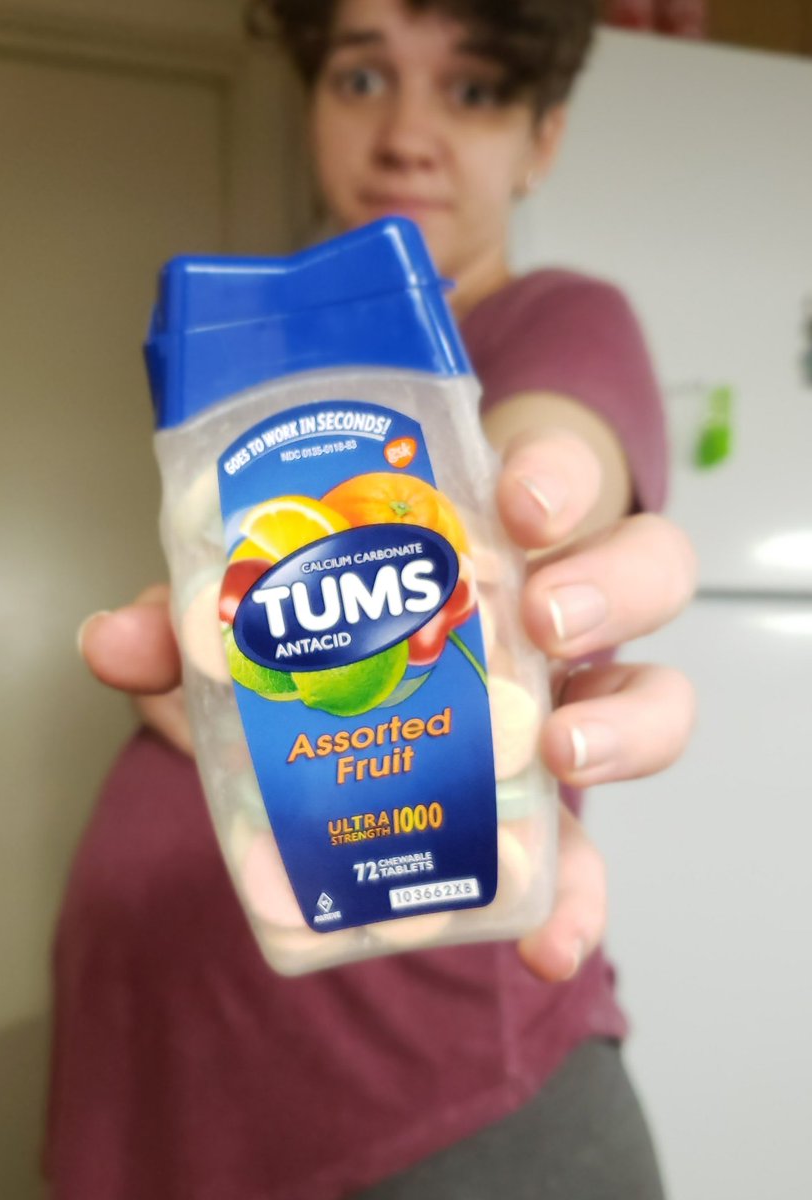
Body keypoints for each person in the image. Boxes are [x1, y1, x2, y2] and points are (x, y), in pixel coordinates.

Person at [45, 2, 697, 1197]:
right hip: (164, 1104)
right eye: (358, 78)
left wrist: (536, 508)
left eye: (473, 90)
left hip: (433, 1108)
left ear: (542, 139)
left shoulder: (554, 317)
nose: (404, 133)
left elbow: (547, 454)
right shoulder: (248, 377)